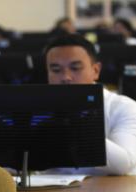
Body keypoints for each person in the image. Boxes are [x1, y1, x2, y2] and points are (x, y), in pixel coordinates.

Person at [44, 34, 136, 175]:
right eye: (56, 70)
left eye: (75, 68)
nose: (65, 77)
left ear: (96, 71)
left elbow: (124, 165)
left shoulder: (123, 107)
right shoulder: (40, 109)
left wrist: (75, 120)